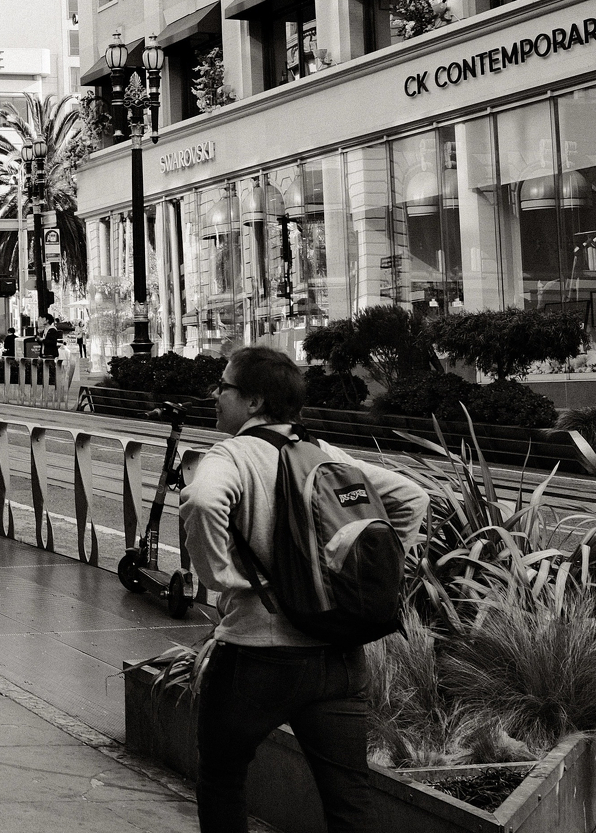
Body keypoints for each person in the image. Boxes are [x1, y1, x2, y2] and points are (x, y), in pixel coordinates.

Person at [181, 347, 428, 833]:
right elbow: (410, 497)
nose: (216, 396)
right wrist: (357, 569)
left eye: (224, 387)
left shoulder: (231, 454)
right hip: (338, 657)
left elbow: (203, 498)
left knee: (223, 779)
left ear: (252, 402)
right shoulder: (322, 453)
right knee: (349, 799)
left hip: (256, 657)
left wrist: (219, 577)